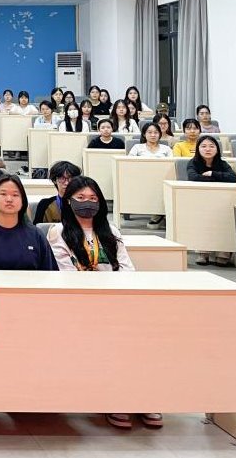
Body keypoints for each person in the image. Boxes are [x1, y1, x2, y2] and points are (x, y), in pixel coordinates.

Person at [44, 176, 157, 428]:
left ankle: (144, 397)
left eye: (93, 198)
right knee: (107, 343)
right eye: (81, 198)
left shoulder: (111, 231)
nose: (88, 203)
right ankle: (115, 399)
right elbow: (66, 273)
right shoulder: (58, 232)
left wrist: (118, 296)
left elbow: (126, 267)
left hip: (116, 301)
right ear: (69, 201)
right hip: (79, 304)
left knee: (141, 339)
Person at [187, 135, 236, 267]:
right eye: (203, 146)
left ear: (217, 149)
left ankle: (223, 252)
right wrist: (220, 178)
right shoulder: (193, 163)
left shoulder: (222, 164)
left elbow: (234, 178)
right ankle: (203, 252)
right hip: (200, 200)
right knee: (203, 217)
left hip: (221, 200)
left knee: (225, 217)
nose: (208, 149)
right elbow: (194, 178)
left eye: (211, 146)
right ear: (198, 149)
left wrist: (212, 174)